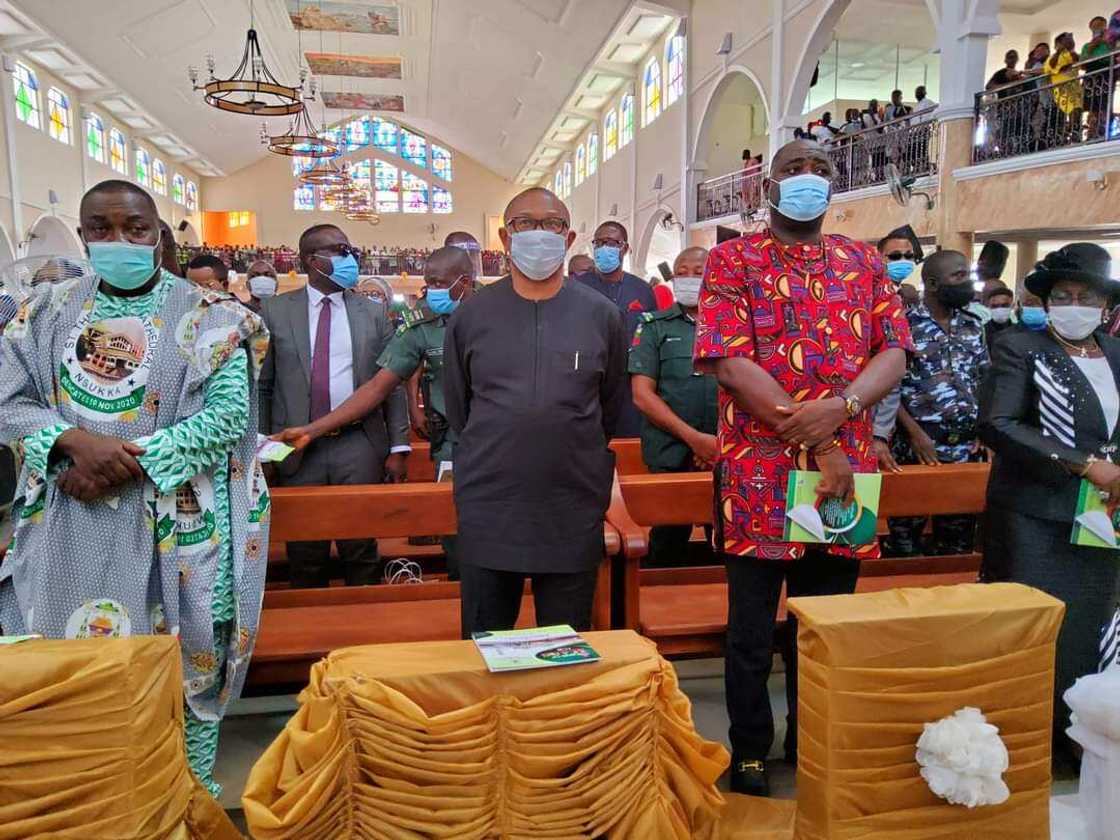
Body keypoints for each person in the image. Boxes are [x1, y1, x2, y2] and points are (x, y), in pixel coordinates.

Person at [0, 179, 269, 796]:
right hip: (74, 518)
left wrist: (117, 460)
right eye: (100, 229)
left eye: (134, 228)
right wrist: (72, 445)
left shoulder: (216, 318)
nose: (118, 240)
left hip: (186, 522)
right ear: (84, 233)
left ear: (158, 235)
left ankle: (187, 802)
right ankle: (91, 803)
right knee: (76, 668)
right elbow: (8, 402)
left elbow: (228, 418)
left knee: (189, 668)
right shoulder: (41, 314)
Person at [694, 139, 911, 795]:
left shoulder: (863, 261)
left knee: (823, 626)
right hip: (762, 471)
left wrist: (843, 408)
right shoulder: (733, 260)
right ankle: (752, 751)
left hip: (840, 476)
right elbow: (730, 362)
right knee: (751, 633)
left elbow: (893, 353)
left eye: (820, 170)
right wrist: (820, 436)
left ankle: (813, 741)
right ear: (769, 185)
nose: (808, 179)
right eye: (794, 169)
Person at [443, 187, 627, 638]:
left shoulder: (601, 315)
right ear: (506, 238)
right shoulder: (472, 316)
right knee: (485, 643)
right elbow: (459, 407)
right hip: (492, 504)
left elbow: (610, 406)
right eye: (525, 224)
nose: (539, 233)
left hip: (570, 504)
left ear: (569, 239)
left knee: (563, 645)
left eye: (552, 224)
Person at [978, 243, 1120, 767]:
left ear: (1106, 305)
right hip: (1034, 516)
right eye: (1063, 295)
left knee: (1095, 624)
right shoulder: (1020, 346)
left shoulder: (1118, 352)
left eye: (1086, 296)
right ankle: (1030, 742)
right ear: (1047, 300)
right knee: (1037, 630)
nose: (1074, 304)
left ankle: (1085, 738)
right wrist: (1084, 464)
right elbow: (998, 424)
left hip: (1103, 519)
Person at [272, 246, 474, 579]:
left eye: (438, 282)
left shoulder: (500, 310)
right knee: (457, 534)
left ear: (463, 281)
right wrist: (314, 429)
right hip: (455, 444)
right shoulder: (422, 326)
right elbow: (377, 388)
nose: (431, 291)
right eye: (429, 283)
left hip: (506, 443)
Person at [258, 224, 410, 589]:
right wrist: (263, 451)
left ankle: (367, 637)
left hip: (357, 443)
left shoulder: (372, 313)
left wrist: (398, 445)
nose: (350, 258)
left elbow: (391, 384)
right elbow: (263, 387)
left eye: (350, 250)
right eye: (340, 251)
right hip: (294, 443)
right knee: (305, 549)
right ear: (312, 260)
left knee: (360, 546)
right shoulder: (275, 311)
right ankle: (310, 635)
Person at [878, 251, 988, 557]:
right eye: (959, 276)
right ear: (933, 283)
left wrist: (985, 429)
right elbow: (888, 387)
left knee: (956, 545)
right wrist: (914, 434)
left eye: (967, 274)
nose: (967, 282)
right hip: (916, 445)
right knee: (905, 542)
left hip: (965, 447)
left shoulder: (973, 324)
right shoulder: (904, 326)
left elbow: (985, 378)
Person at [628, 247, 718, 567]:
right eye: (682, 271)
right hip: (671, 454)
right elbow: (642, 394)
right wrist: (695, 439)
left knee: (726, 548)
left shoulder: (734, 323)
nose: (690, 278)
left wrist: (715, 444)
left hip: (726, 455)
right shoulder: (654, 326)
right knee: (666, 547)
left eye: (699, 271)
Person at [574, 220, 657, 437]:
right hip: (589, 379)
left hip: (630, 383)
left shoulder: (642, 290)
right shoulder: (577, 287)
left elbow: (652, 334)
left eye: (611, 243)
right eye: (599, 242)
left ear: (625, 248)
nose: (604, 248)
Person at [1044, 33, 1083, 145]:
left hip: (1074, 89)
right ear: (1057, 44)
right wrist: (1059, 51)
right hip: (1061, 91)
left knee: (1076, 112)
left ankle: (1074, 135)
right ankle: (1065, 135)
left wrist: (1070, 48)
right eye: (1065, 41)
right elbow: (1051, 68)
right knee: (1067, 114)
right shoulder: (1052, 57)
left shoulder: (1071, 54)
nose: (1068, 42)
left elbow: (1078, 61)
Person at [1082, 16, 1113, 139]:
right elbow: (1082, 64)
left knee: (1104, 104)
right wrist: (1092, 47)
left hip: (1106, 75)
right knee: (1092, 106)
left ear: (1105, 27)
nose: (1098, 27)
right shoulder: (1086, 46)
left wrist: (1105, 42)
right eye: (1095, 25)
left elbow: (1114, 56)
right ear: (1091, 28)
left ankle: (1103, 132)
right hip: (1090, 76)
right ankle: (1092, 132)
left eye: (1100, 25)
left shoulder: (1110, 42)